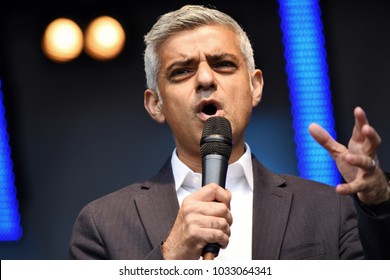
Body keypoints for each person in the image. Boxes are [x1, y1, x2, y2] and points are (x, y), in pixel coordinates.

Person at [68, 4, 390, 260]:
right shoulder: (102, 224)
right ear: (156, 105)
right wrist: (170, 259)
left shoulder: (328, 209)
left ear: (255, 87)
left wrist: (379, 201)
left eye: (223, 64)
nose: (206, 79)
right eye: (182, 71)